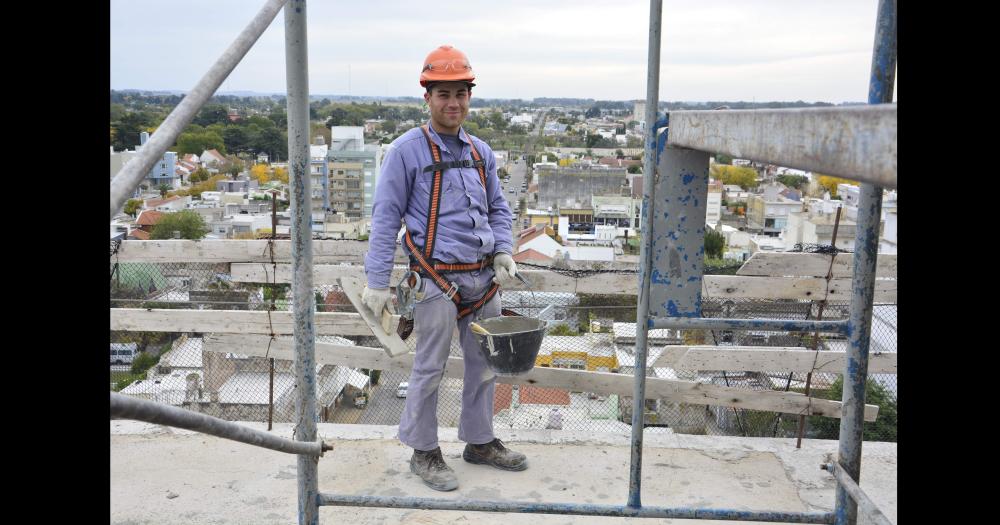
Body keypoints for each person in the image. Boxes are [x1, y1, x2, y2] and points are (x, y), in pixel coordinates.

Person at [362, 45, 527, 492]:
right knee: (429, 367)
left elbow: (498, 208)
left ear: (469, 97)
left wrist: (503, 252)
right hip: (435, 278)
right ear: (428, 98)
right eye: (443, 94)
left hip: (483, 280)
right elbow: (385, 218)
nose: (453, 103)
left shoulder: (480, 152)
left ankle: (479, 441)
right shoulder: (406, 152)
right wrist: (377, 283)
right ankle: (424, 451)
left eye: (460, 93)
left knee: (486, 365)